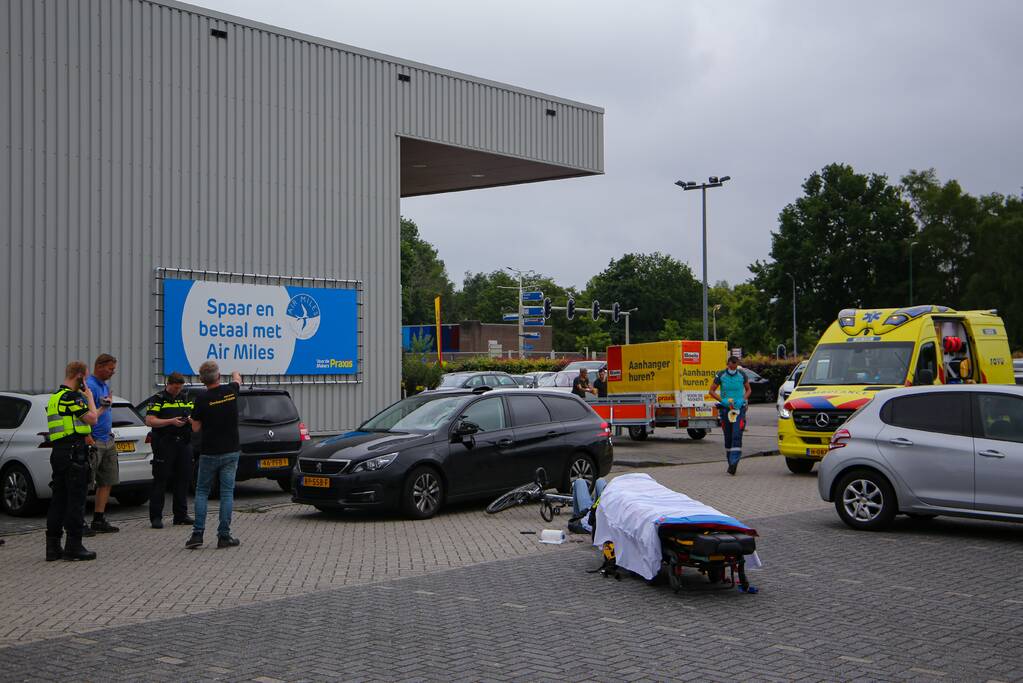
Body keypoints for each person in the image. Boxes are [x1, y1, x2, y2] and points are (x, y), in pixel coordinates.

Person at [45, 361, 100, 561]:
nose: (86, 382)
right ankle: (74, 546)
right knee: (76, 501)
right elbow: (92, 419)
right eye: (86, 378)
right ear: (80, 377)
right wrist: (89, 396)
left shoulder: (55, 397)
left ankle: (53, 547)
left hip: (59, 452)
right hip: (74, 452)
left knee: (58, 500)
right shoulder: (73, 397)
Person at [186, 361, 243, 550]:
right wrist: (235, 373)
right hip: (231, 450)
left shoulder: (201, 399)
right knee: (226, 493)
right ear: (218, 376)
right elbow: (237, 380)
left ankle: (197, 534)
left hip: (210, 452)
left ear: (202, 380)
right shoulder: (231, 391)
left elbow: (196, 427)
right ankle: (224, 536)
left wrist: (192, 419)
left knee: (202, 491)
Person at [146, 372, 195, 529]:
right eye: (175, 388)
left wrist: (190, 420)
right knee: (161, 480)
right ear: (168, 384)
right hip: (164, 443)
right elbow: (150, 420)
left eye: (180, 388)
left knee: (183, 479)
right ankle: (156, 517)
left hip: (184, 443)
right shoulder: (158, 399)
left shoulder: (185, 398)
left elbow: (194, 416)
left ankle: (180, 515)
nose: (177, 391)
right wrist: (171, 421)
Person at [86, 354, 120, 533]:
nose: (113, 372)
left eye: (114, 369)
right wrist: (87, 435)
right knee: (85, 482)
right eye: (110, 369)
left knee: (106, 481)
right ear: (99, 366)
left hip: (107, 439)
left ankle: (98, 519)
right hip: (94, 440)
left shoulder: (104, 386)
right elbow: (84, 414)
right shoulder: (89, 386)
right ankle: (78, 521)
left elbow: (104, 410)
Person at [708, 356, 751, 476]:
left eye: (736, 364)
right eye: (733, 364)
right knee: (728, 436)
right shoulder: (721, 375)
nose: (734, 366)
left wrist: (742, 400)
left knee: (737, 434)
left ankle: (734, 462)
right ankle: (730, 462)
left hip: (738, 409)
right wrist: (723, 401)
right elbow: (711, 391)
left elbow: (748, 390)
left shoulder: (742, 374)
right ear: (728, 364)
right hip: (725, 409)